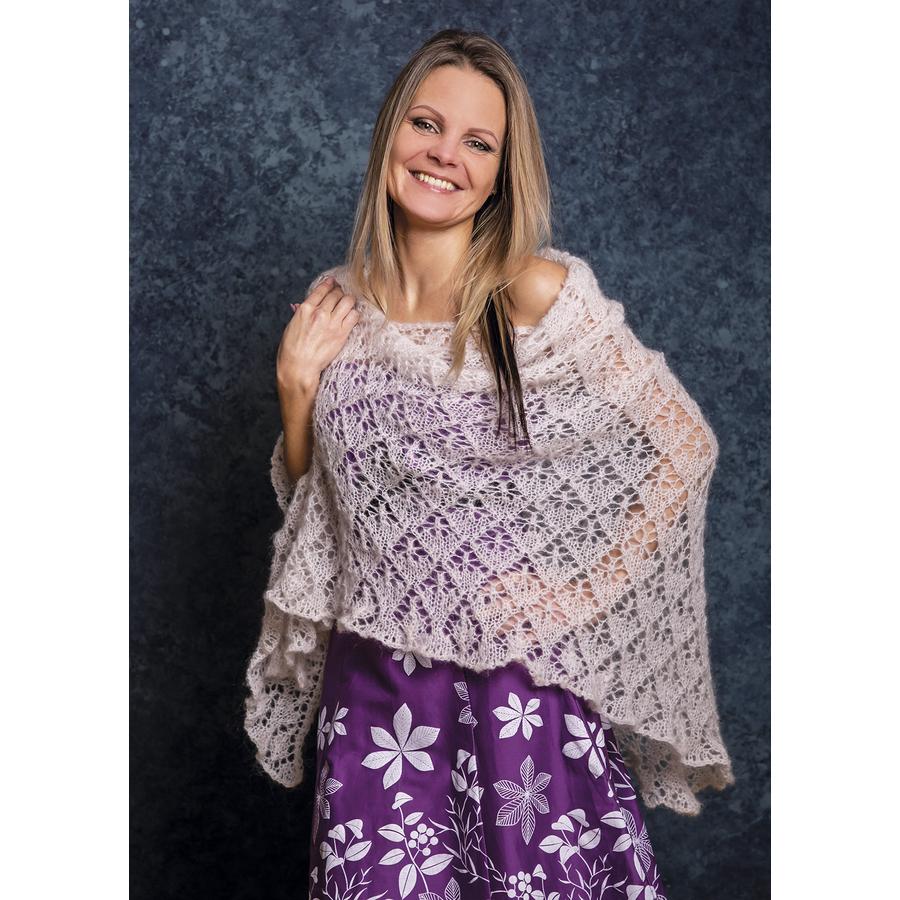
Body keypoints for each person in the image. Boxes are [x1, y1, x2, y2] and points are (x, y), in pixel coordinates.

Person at [245, 29, 734, 900]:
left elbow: (685, 445)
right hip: (375, 695)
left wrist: (572, 596)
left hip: (516, 686)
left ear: (502, 172)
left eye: (478, 142)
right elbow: (322, 505)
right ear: (390, 135)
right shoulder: (338, 304)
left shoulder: (534, 292)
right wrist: (295, 386)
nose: (445, 155)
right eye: (427, 124)